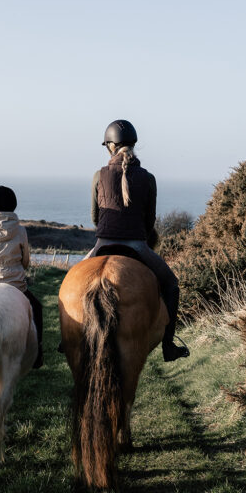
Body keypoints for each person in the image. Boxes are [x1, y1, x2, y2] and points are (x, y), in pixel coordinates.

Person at [87, 119, 189, 362]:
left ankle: (67, 335)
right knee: (172, 286)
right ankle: (168, 346)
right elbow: (149, 220)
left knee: (70, 281)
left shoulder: (98, 175)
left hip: (102, 244)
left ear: (111, 146)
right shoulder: (148, 178)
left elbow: (94, 217)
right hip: (137, 245)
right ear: (133, 145)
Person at [0, 185, 44, 369]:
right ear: (13, 205)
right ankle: (37, 353)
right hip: (15, 287)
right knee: (37, 308)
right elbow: (26, 261)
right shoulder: (20, 231)